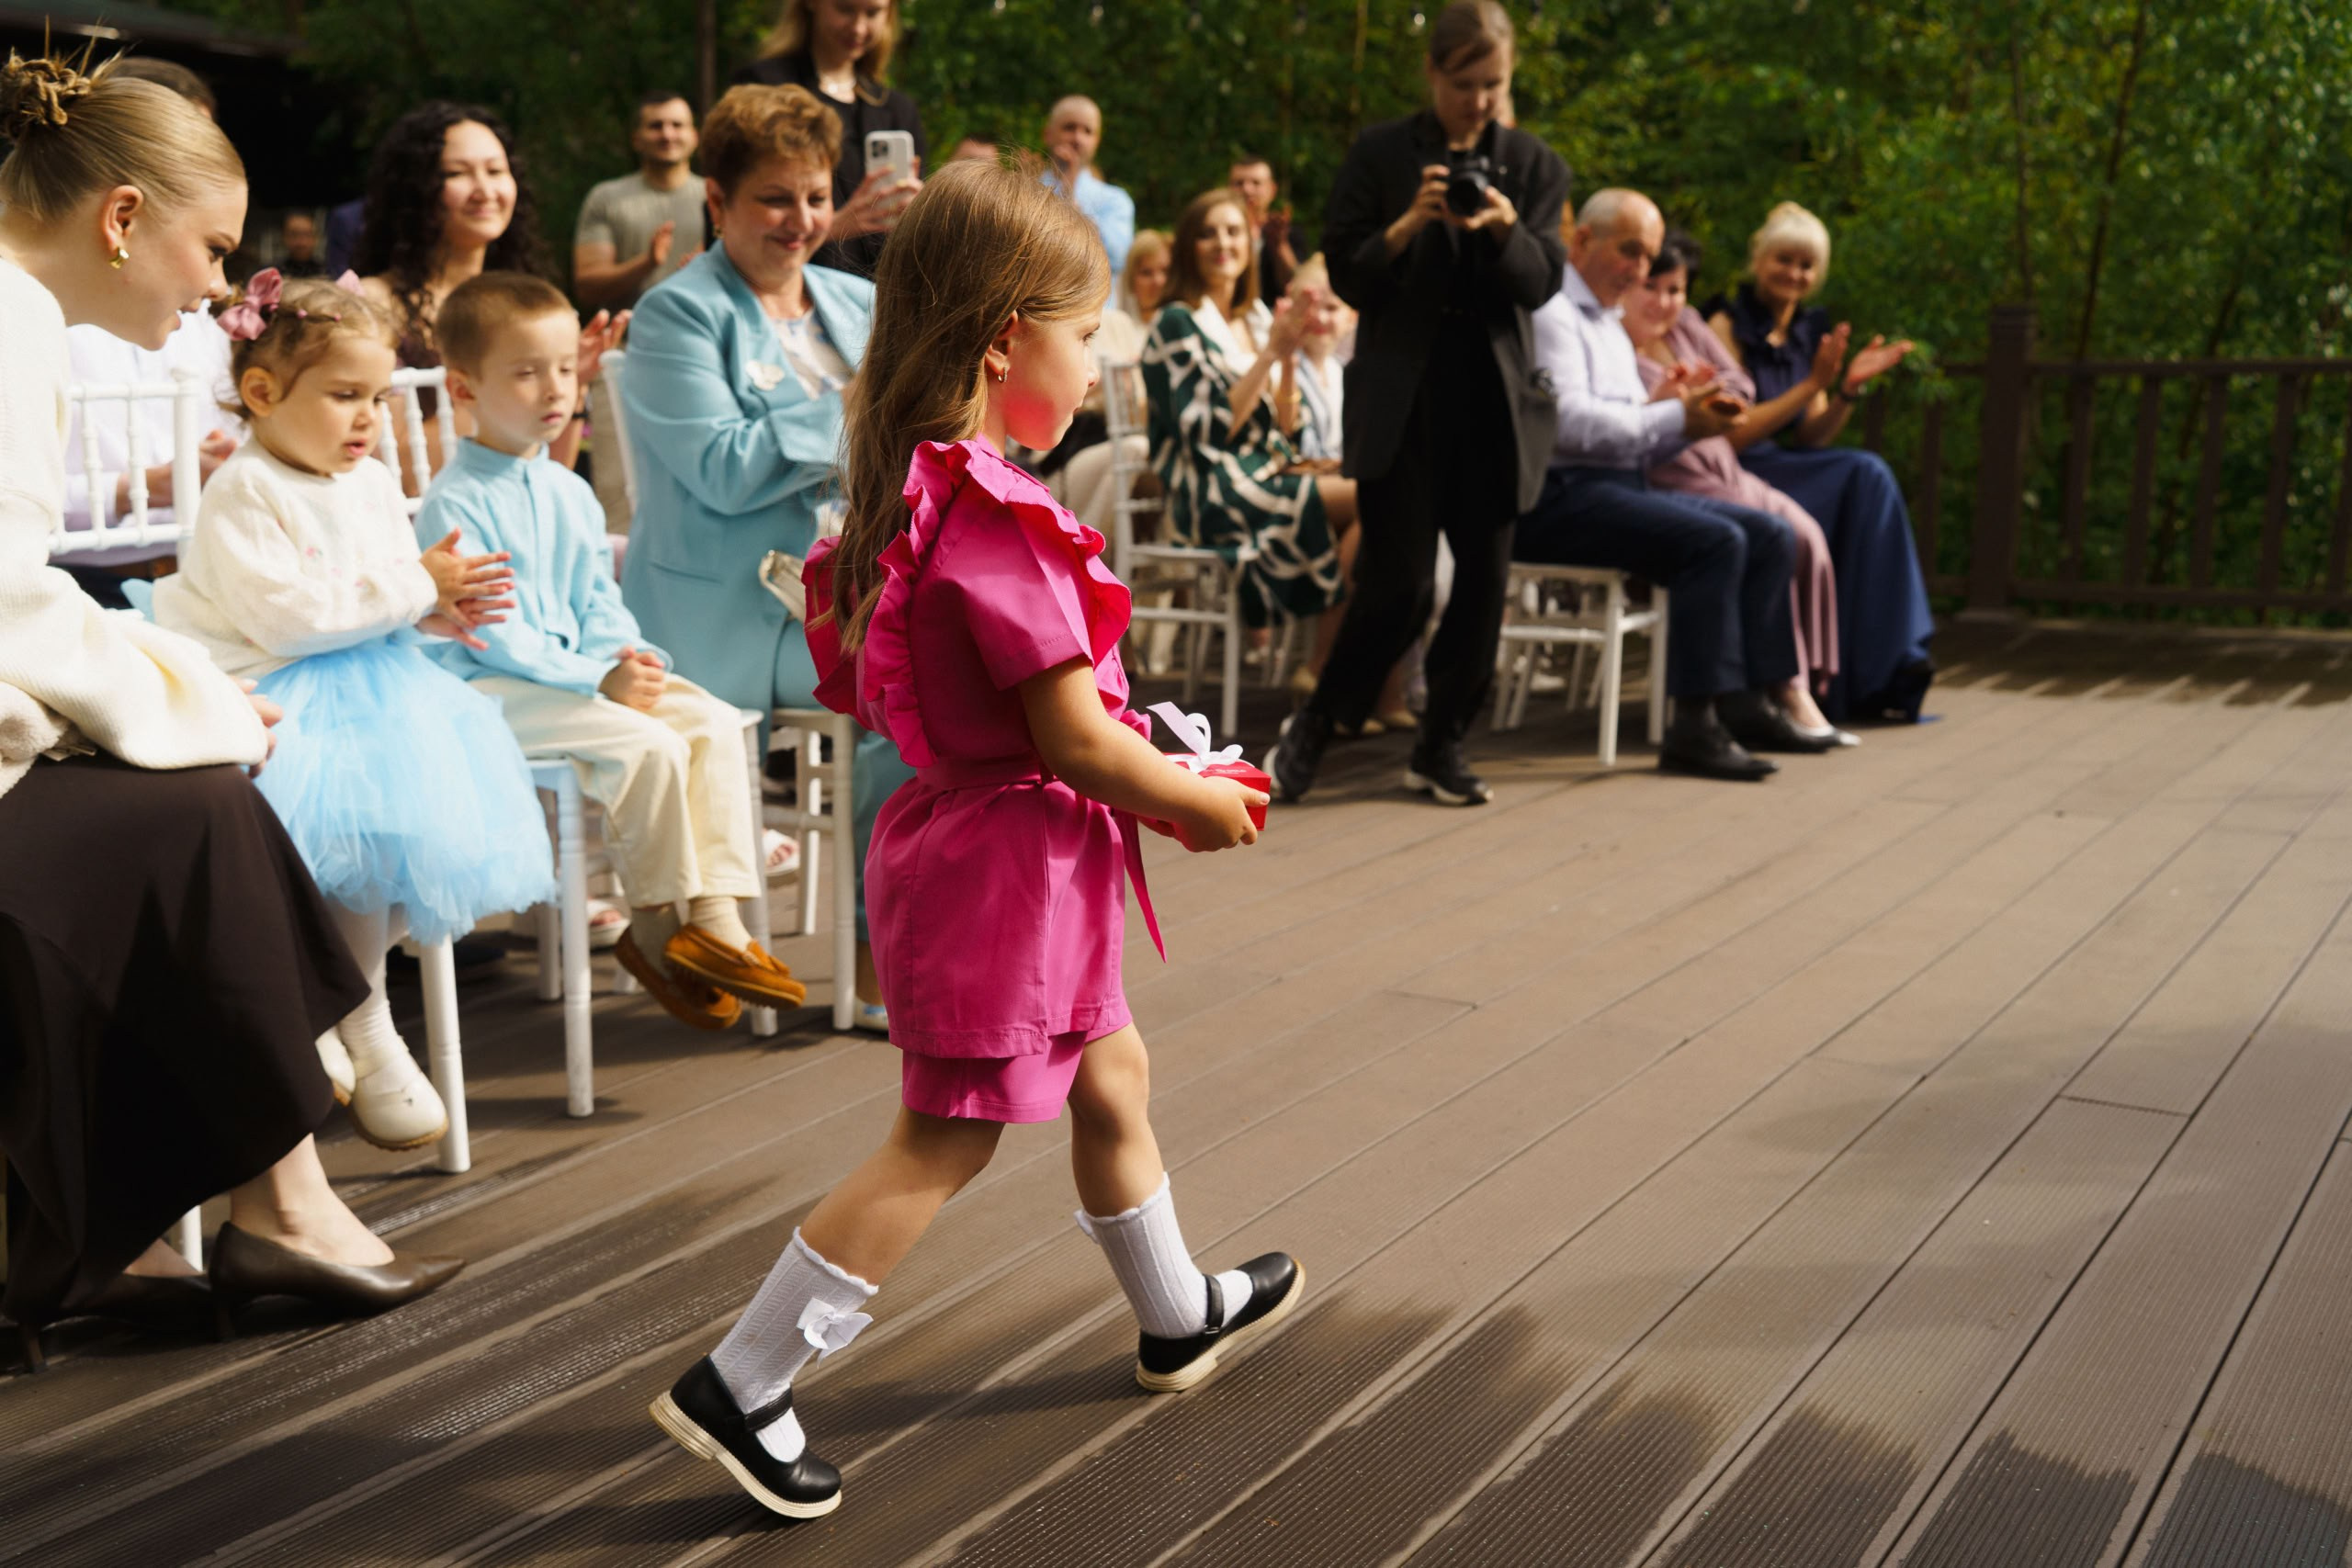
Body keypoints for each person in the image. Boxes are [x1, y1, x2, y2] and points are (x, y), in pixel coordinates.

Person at [648, 158, 1299, 1519]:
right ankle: (745, 1377)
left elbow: (881, 677)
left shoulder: (916, 490)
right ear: (1010, 339)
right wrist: (1189, 797)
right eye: (1083, 334)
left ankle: (1176, 1309)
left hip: (997, 858)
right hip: (1005, 870)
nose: (1093, 365)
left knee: (1112, 1072)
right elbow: (1070, 735)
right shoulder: (996, 514)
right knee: (944, 1135)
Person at [0, 51, 458, 1367]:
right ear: (123, 216)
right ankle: (272, 1203)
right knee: (201, 807)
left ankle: (199, 1217)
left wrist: (167, 703)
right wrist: (189, 699)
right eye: (210, 248)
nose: (217, 289)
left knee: (193, 803)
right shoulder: (13, 322)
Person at [154, 270, 554, 1150]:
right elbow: (289, 619)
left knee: (385, 838)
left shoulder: (371, 482)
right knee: (335, 829)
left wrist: (435, 607)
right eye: (344, 395)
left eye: (376, 395)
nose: (368, 417)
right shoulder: (245, 489)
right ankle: (332, 1014)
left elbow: (380, 590)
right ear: (261, 393)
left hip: (374, 683)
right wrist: (416, 586)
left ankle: (359, 1014)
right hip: (269, 687)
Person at [416, 270, 799, 1031]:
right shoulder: (455, 501)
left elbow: (595, 598)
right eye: (525, 373)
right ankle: (653, 924)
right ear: (464, 388)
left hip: (576, 675)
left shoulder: (567, 490)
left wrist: (629, 655)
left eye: (564, 368)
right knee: (646, 746)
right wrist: (597, 677)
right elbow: (492, 629)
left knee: (711, 719)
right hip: (489, 684)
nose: (552, 388)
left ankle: (716, 916)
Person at [618, 83, 916, 1032]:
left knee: (968, 656)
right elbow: (717, 469)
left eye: (817, 196)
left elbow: (905, 448)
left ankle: (935, 936)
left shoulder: (854, 299)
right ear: (716, 201)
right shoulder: (675, 316)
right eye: (774, 199)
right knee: (897, 685)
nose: (803, 221)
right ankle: (871, 963)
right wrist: (849, 404)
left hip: (849, 585)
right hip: (731, 609)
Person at [1264, 0, 1568, 808]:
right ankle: (1319, 723)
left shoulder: (1535, 167)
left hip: (1495, 411)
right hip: (1405, 402)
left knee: (1482, 586)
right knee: (1399, 586)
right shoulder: (1379, 154)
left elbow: (1542, 283)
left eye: (1493, 84)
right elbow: (1348, 272)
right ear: (1432, 73)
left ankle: (1441, 746)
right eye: (1463, 83)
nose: (1478, 100)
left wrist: (1504, 231)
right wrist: (1407, 225)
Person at [1513, 189, 1825, 781]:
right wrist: (1678, 418)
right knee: (1715, 542)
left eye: (1648, 255)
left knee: (1769, 534)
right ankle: (1695, 728)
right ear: (1582, 241)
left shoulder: (1605, 320)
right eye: (1629, 252)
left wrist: (1683, 413)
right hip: (1555, 497)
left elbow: (1634, 430)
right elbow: (1569, 425)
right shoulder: (1552, 313)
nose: (1639, 269)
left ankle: (1750, 704)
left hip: (1612, 488)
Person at [1709, 201, 1935, 723]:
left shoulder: (1807, 331)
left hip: (1788, 464)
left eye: (1806, 265)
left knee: (1866, 473)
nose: (1794, 273)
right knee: (1864, 475)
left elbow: (1811, 434)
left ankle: (1886, 665)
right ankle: (1868, 666)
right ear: (1759, 261)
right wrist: (1812, 383)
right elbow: (1731, 434)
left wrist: (1845, 393)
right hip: (1737, 471)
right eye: (1784, 260)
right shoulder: (1724, 323)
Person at [1627, 230, 1849, 743]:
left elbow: (1740, 384)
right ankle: (1780, 689)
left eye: (1677, 289)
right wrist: (1672, 405)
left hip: (1723, 466)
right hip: (1671, 476)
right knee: (1772, 535)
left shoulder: (1688, 324)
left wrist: (1714, 397)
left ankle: (1808, 684)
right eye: (1654, 288)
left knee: (1808, 536)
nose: (1665, 301)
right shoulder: (1612, 337)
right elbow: (1636, 428)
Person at [354, 102, 622, 479]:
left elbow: (551, 467)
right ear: (414, 190)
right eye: (457, 173)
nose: (485, 190)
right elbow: (385, 463)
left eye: (496, 171)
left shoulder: (529, 305)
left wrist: (572, 384)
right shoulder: (369, 304)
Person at [1143, 188, 1355, 648]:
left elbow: (1287, 428)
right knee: (1376, 500)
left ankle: (1330, 668)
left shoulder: (1257, 318)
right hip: (1215, 490)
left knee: (1384, 501)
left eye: (1234, 231)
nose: (1223, 243)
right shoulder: (1176, 324)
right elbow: (1207, 431)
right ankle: (1328, 665)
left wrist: (1289, 358)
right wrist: (1270, 356)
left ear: (1249, 244)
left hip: (1272, 469)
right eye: (1208, 234)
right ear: (1188, 247)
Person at [731, 0, 924, 277]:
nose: (858, 28)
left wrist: (920, 216)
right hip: (788, 288)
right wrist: (834, 226)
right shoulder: (765, 89)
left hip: (884, 298)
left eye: (872, 13)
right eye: (845, 9)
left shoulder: (898, 110)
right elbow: (735, 212)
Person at [572, 91, 707, 311]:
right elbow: (587, 289)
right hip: (628, 340)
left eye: (677, 125)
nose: (667, 134)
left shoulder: (719, 198)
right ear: (636, 139)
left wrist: (713, 265)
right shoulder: (606, 197)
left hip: (705, 337)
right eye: (656, 126)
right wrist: (648, 263)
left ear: (694, 137)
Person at [1041, 95, 1134, 276]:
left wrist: (1070, 191)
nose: (1078, 139)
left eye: (1087, 131)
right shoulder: (1025, 189)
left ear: (1096, 141)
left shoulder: (1115, 201)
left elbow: (1118, 259)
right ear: (1048, 135)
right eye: (1069, 128)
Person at [1229, 152, 1301, 303]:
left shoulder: (1289, 233)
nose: (1247, 190)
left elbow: (1298, 287)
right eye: (1239, 183)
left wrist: (1280, 246)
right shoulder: (1216, 234)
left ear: (1272, 190)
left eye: (1256, 183)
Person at [278, 209, 326, 276]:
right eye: (294, 235)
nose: (301, 242)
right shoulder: (273, 274)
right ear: (284, 237)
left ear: (316, 238)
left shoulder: (328, 272)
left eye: (307, 235)